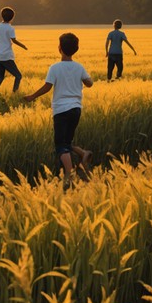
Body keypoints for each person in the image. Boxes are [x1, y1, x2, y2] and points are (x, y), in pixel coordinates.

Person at [24, 32, 93, 190]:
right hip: (76, 109)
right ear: (76, 49)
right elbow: (89, 83)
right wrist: (84, 80)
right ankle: (82, 153)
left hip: (61, 110)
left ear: (59, 48)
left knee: (60, 145)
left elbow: (48, 87)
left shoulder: (55, 67)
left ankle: (69, 176)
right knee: (67, 141)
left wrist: (32, 96)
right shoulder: (79, 66)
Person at [0, 6, 27, 92]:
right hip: (6, 56)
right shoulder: (10, 28)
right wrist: (23, 46)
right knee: (18, 76)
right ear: (12, 17)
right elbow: (14, 40)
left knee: (0, 76)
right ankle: (15, 93)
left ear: (1, 16)